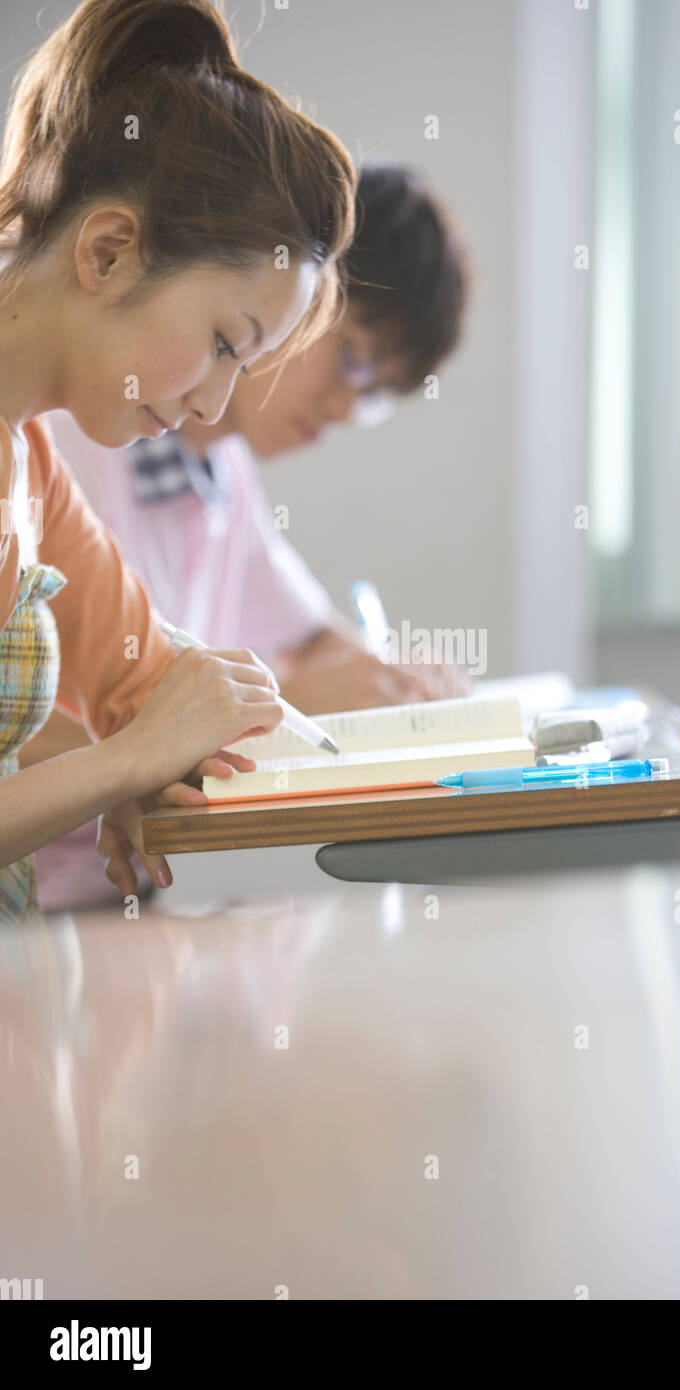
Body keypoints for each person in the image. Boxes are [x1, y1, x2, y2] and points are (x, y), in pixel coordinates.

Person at [26, 164, 471, 908]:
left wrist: (392, 680)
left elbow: (312, 636)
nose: (340, 407)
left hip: (115, 894)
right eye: (352, 357)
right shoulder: (77, 436)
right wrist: (272, 707)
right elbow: (33, 723)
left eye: (373, 397)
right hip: (49, 898)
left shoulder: (220, 473)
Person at [0, 0, 357, 921]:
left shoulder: (30, 462)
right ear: (110, 251)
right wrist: (120, 765)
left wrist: (166, 749)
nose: (212, 403)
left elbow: (144, 679)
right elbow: (142, 726)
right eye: (224, 342)